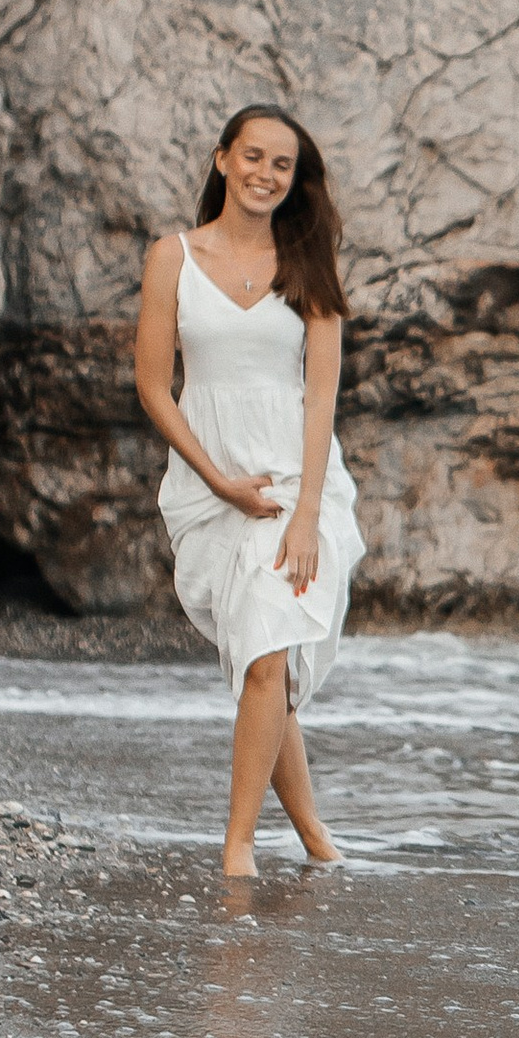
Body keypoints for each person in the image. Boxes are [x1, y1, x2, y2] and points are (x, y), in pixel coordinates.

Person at [133, 104, 364, 880]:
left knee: (268, 654)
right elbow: (154, 387)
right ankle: (314, 834)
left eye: (283, 165)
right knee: (267, 665)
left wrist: (304, 516)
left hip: (297, 486)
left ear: (295, 180)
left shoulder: (309, 265)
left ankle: (237, 849)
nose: (266, 174)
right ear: (224, 158)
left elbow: (321, 399)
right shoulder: (172, 257)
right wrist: (219, 482)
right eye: (254, 156)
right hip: (210, 489)